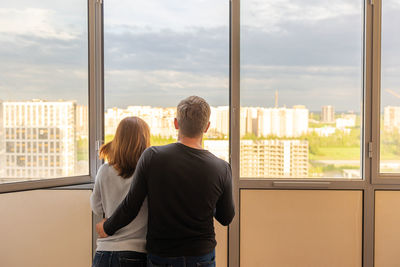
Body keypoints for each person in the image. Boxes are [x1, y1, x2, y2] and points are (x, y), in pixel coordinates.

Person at [96, 96, 235, 267]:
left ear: (176, 123)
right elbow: (226, 217)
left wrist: (107, 228)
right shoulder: (221, 167)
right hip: (201, 255)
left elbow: (131, 205)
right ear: (206, 127)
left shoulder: (153, 156)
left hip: (162, 255)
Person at [91, 116, 150, 267]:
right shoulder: (148, 173)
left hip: (103, 253)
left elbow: (96, 207)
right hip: (135, 253)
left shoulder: (104, 170)